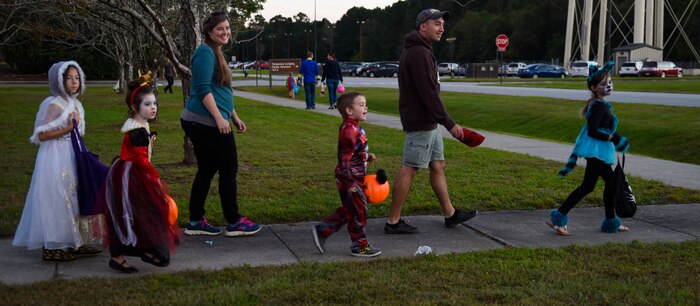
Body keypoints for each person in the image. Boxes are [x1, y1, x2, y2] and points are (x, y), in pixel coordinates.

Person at [384, 9, 477, 234]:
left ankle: (450, 214)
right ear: (422, 26)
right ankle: (393, 222)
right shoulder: (418, 53)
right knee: (410, 167)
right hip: (421, 121)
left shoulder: (421, 50)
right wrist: (450, 123)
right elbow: (428, 94)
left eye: (443, 24)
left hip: (428, 121)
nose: (442, 28)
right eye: (437, 23)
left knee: (437, 165)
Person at [180, 11, 261, 237]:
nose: (225, 32)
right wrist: (219, 118)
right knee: (228, 168)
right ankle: (234, 221)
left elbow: (220, 90)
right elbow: (203, 89)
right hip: (204, 121)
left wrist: (233, 116)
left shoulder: (215, 52)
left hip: (208, 120)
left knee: (207, 169)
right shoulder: (205, 53)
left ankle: (195, 221)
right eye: (220, 29)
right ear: (209, 31)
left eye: (227, 28)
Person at [12, 61, 103, 261]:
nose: (73, 82)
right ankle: (53, 243)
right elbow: (41, 135)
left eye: (77, 78)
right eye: (69, 78)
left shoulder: (77, 104)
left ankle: (75, 240)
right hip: (55, 156)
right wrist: (67, 129)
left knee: (75, 195)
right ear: (59, 81)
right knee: (58, 197)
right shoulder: (53, 104)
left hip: (72, 153)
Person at [100, 76, 181, 273]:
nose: (153, 107)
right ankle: (146, 251)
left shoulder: (142, 126)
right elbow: (141, 160)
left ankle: (131, 253)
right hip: (133, 177)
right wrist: (154, 179)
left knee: (134, 213)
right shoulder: (137, 132)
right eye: (147, 104)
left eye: (154, 103)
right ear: (135, 107)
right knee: (145, 211)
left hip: (133, 173)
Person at [549, 61, 630, 236]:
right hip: (596, 151)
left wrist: (613, 138)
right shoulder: (599, 106)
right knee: (588, 186)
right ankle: (559, 217)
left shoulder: (598, 104)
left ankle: (611, 222)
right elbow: (593, 130)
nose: (608, 86)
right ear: (594, 88)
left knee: (610, 186)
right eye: (603, 84)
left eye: (610, 82)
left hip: (599, 150)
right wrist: (612, 137)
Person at [311, 92, 381, 258]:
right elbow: (344, 160)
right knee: (359, 212)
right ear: (349, 110)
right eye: (362, 104)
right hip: (349, 178)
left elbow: (354, 151)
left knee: (351, 209)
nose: (366, 107)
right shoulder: (349, 130)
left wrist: (366, 155)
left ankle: (323, 229)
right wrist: (350, 184)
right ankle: (360, 246)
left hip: (355, 176)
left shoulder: (354, 126)